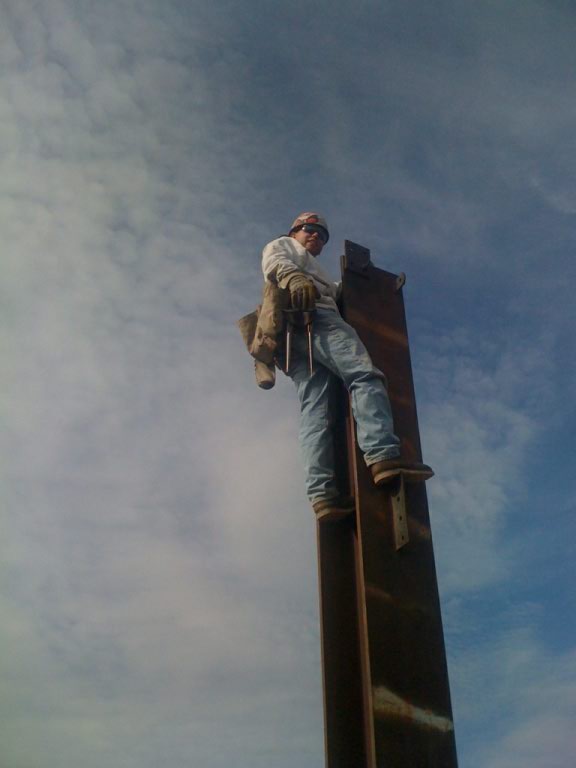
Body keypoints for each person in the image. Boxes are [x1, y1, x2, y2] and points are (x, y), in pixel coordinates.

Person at [262, 212, 432, 522]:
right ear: (294, 231)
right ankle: (383, 455)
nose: (316, 236)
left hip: (295, 337)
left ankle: (323, 495)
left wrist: (368, 288)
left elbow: (335, 291)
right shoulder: (284, 246)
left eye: (322, 235)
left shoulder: (316, 270)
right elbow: (274, 263)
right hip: (315, 320)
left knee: (316, 412)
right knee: (364, 375)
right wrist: (295, 278)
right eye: (309, 230)